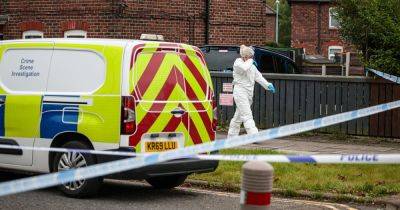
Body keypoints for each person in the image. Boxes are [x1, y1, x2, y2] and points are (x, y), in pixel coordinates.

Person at [227, 45, 275, 138]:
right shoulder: (238, 63)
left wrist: (268, 85)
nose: (252, 58)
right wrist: (251, 61)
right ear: (245, 56)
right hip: (240, 91)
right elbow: (244, 68)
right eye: (250, 57)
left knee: (239, 116)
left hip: (248, 93)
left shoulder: (251, 66)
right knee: (247, 115)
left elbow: (259, 77)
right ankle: (254, 136)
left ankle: (232, 135)